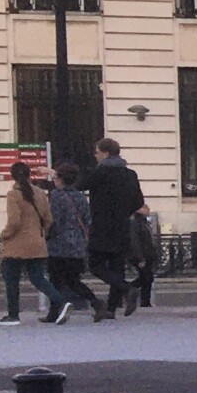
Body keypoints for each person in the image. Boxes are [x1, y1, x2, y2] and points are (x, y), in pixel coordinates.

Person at [82, 137, 146, 320]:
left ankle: (127, 289)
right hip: (122, 226)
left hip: (102, 225)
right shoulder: (130, 174)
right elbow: (139, 202)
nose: (95, 156)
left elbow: (80, 185)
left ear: (105, 153)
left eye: (97, 152)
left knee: (95, 265)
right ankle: (111, 308)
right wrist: (124, 211)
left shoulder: (100, 173)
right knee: (117, 266)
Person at [0, 160, 62, 325]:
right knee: (38, 278)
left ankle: (13, 315)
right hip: (37, 243)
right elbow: (48, 219)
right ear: (28, 175)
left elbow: (14, 222)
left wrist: (4, 234)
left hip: (15, 245)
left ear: (13, 177)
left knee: (11, 279)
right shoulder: (40, 193)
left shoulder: (13, 195)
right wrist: (40, 234)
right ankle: (61, 300)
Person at [46, 161, 97, 320]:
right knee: (74, 281)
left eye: (55, 177)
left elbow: (55, 221)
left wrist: (46, 235)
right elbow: (88, 219)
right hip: (78, 244)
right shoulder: (80, 196)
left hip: (59, 244)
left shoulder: (56, 196)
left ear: (60, 179)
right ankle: (96, 303)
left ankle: (54, 312)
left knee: (55, 280)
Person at [128, 204, 162, 311]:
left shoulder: (143, 222)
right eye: (146, 208)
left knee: (146, 278)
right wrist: (140, 257)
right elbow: (135, 241)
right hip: (143, 255)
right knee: (146, 277)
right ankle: (126, 289)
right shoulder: (136, 223)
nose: (148, 210)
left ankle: (144, 300)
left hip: (148, 254)